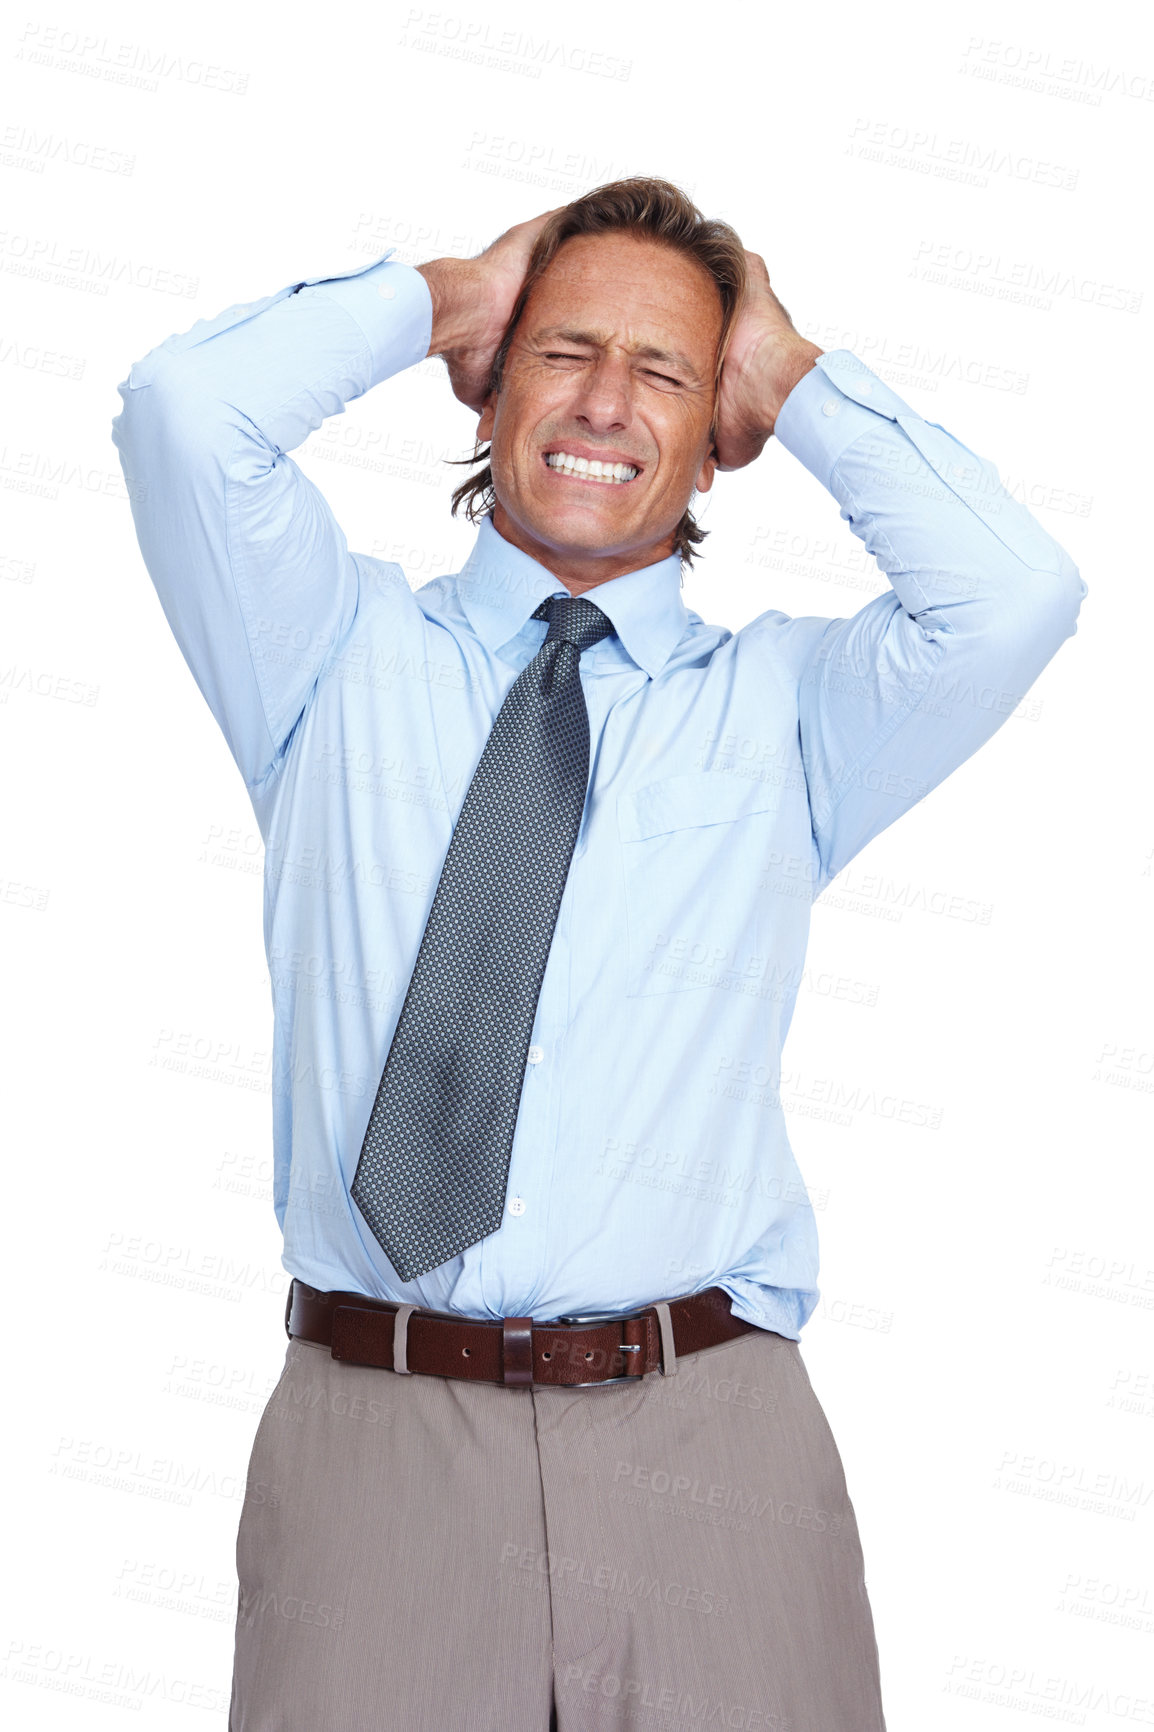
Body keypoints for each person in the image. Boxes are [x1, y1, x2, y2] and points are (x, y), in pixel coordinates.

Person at [111, 177, 1087, 1732]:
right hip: (378, 1447)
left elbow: (1014, 595)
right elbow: (179, 412)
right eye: (563, 348)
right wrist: (440, 295)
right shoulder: (324, 654)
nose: (604, 402)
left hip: (714, 1451)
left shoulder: (792, 713)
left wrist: (801, 380)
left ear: (718, 436)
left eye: (665, 372)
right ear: (493, 377)